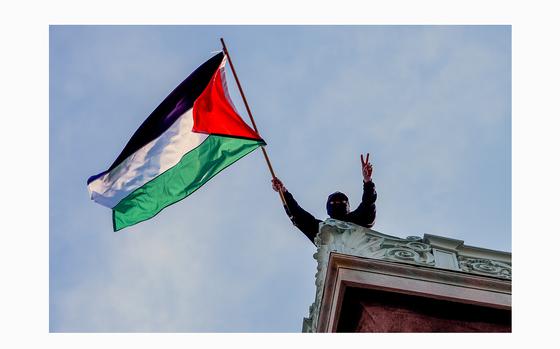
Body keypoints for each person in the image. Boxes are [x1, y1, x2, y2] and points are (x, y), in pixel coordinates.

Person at [272, 153, 377, 245]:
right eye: (334, 202)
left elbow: (368, 203)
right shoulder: (324, 230)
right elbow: (298, 216)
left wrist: (367, 181)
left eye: (342, 202)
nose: (338, 203)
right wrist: (284, 192)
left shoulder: (357, 220)